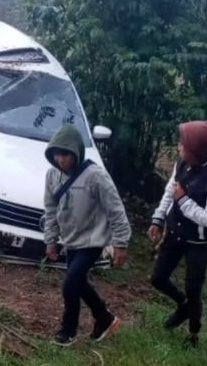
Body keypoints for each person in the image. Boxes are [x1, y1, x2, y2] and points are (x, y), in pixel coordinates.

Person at [43, 123, 132, 347]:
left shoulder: (96, 177)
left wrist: (121, 243)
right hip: (71, 238)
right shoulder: (52, 175)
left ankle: (68, 331)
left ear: (77, 153)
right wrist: (51, 240)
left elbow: (115, 209)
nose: (60, 159)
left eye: (65, 154)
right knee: (79, 282)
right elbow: (50, 208)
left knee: (70, 283)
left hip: (92, 240)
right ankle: (105, 318)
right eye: (56, 154)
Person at [148, 121, 207, 348]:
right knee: (158, 278)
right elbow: (171, 191)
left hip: (198, 242)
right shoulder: (183, 163)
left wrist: (184, 201)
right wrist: (158, 218)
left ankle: (194, 334)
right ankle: (183, 305)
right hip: (175, 233)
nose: (179, 148)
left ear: (197, 150)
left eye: (184, 145)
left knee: (193, 288)